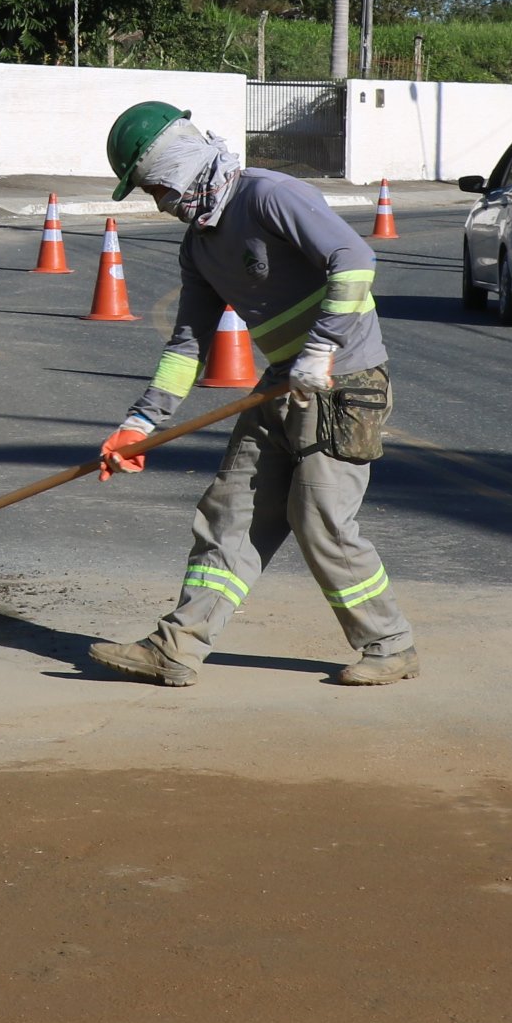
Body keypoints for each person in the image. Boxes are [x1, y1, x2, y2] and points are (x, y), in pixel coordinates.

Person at [84, 101, 417, 689]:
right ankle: (176, 647)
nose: (160, 203)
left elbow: (355, 260)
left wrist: (322, 349)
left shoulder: (269, 196)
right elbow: (188, 346)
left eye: (158, 186)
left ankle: (390, 644)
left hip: (348, 381)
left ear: (183, 165)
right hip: (284, 384)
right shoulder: (199, 247)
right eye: (149, 193)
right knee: (229, 513)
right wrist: (142, 423)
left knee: (319, 520)